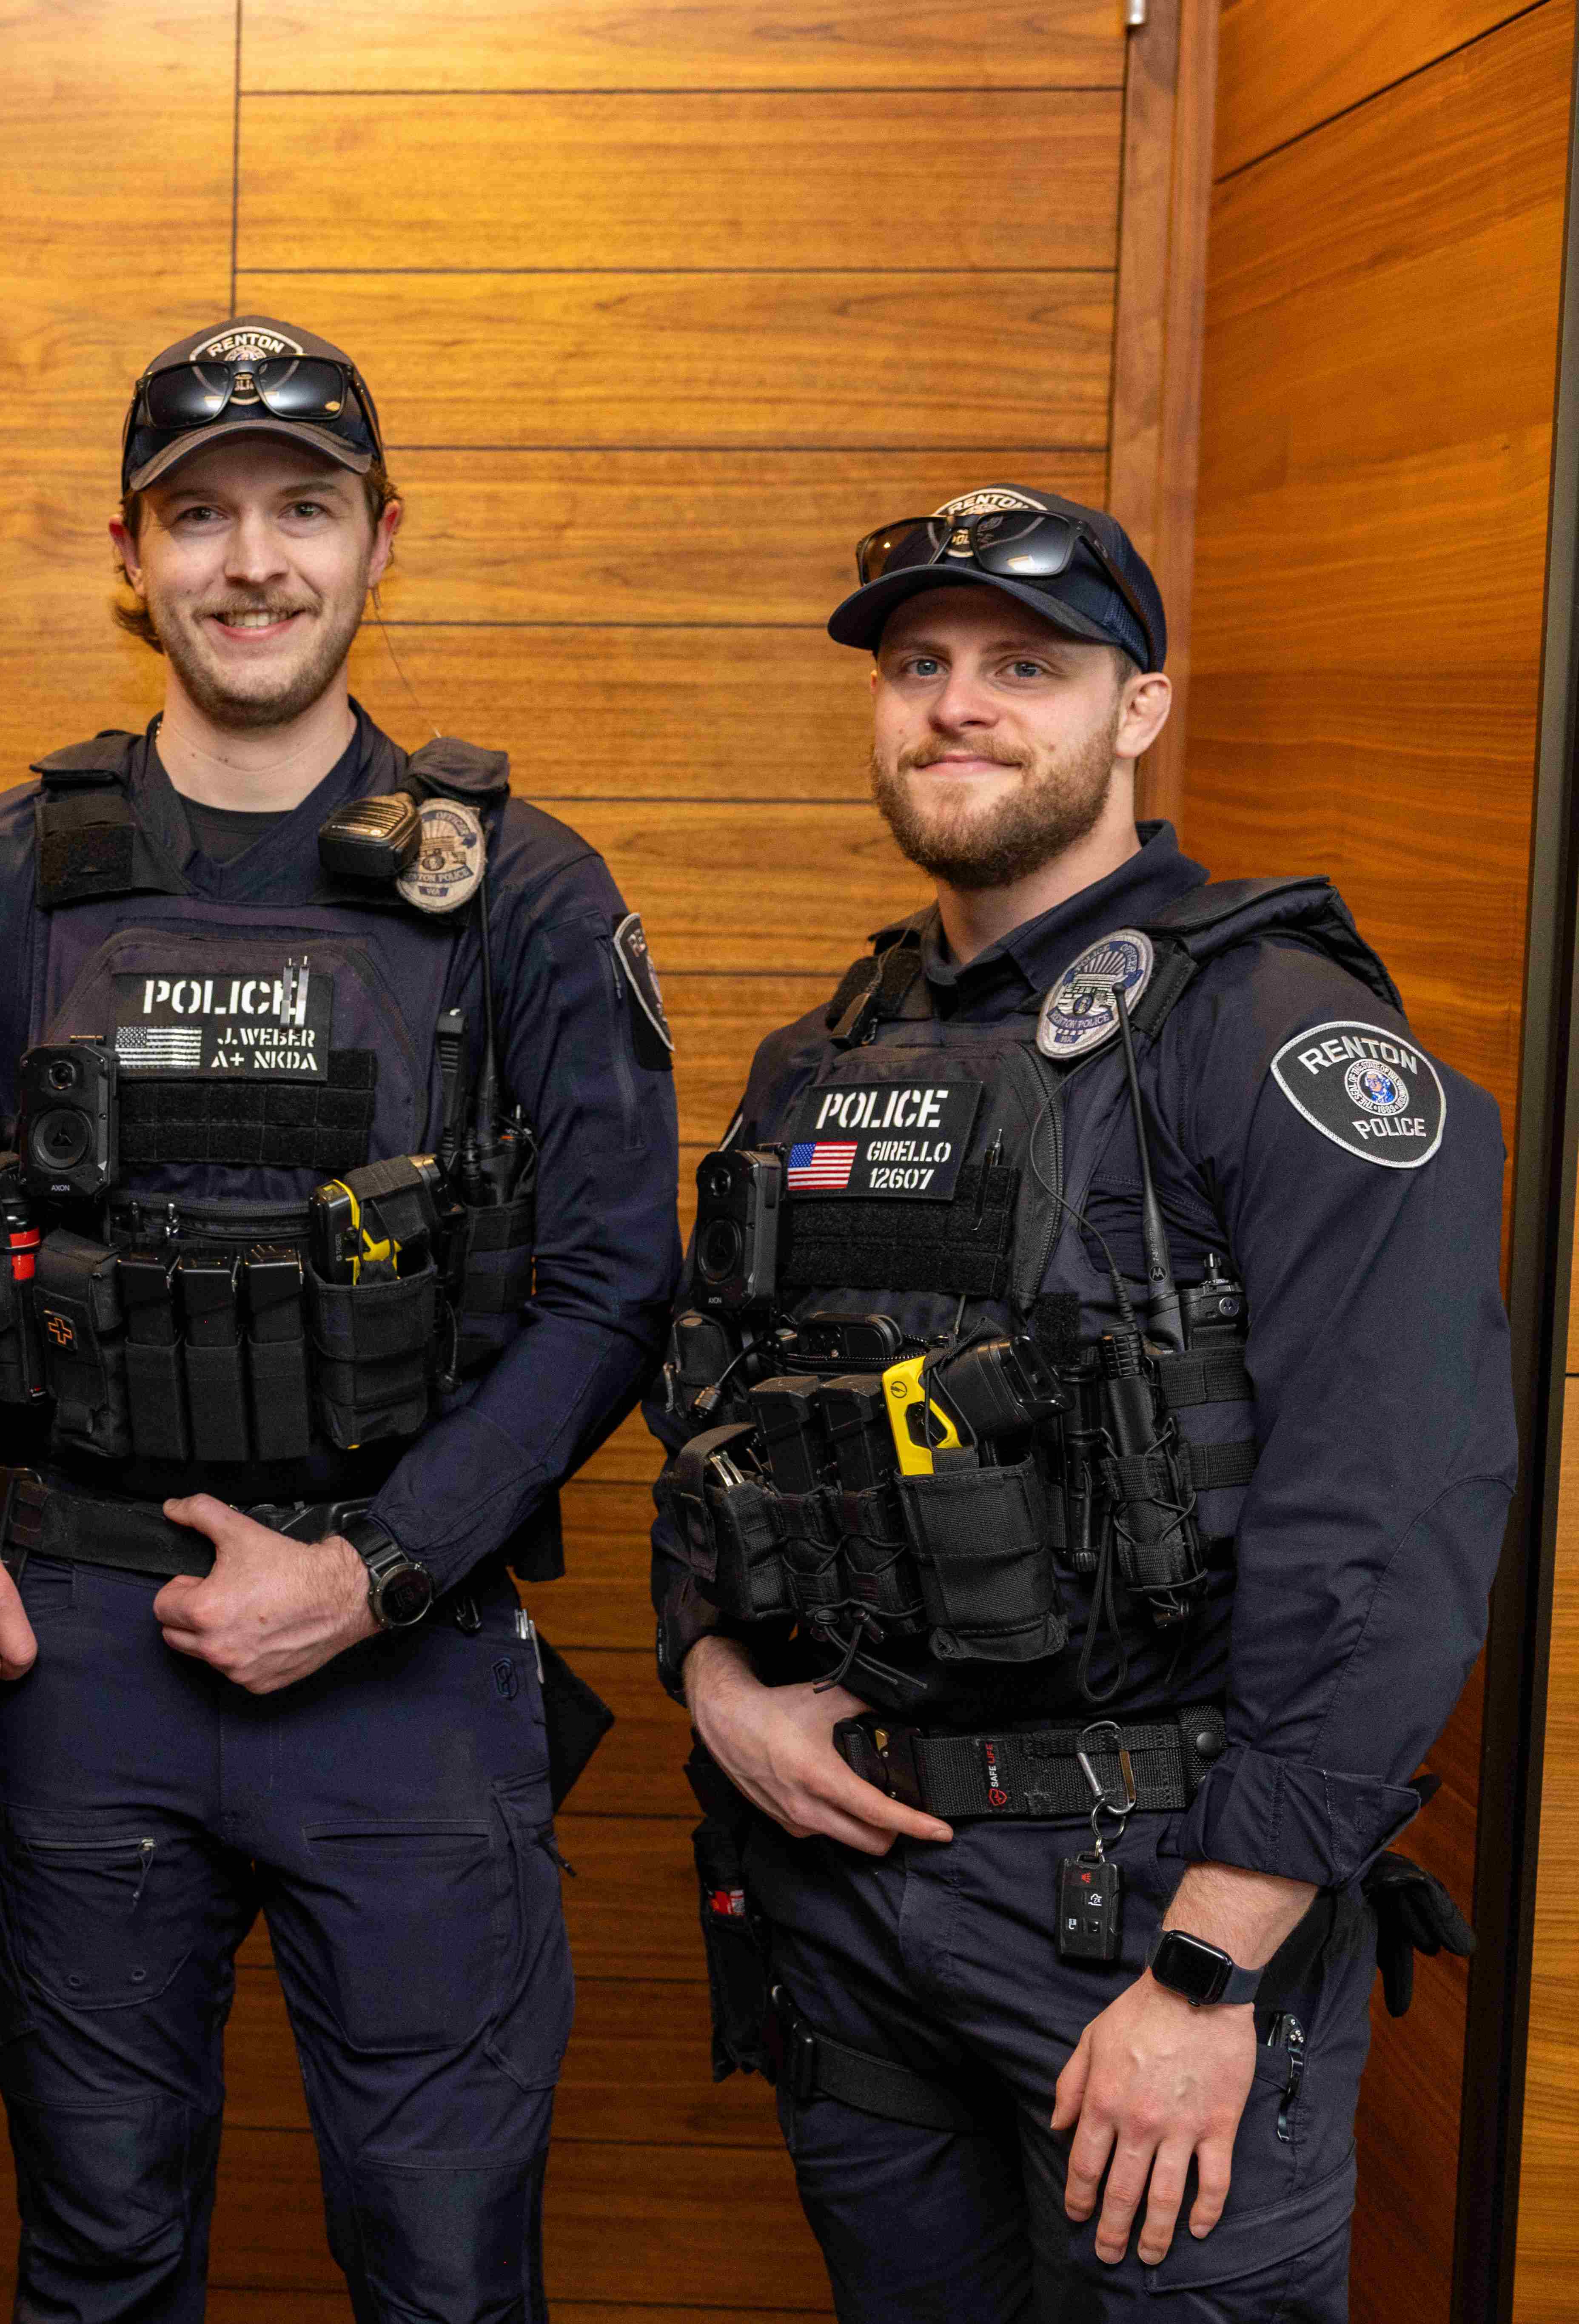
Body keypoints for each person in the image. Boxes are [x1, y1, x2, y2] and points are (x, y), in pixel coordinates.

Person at [0, 315, 683, 2317]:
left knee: (447, 2273)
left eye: (302, 508)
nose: (251, 561)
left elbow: (618, 1279)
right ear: (128, 555)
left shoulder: (521, 892)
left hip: (405, 1656)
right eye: (198, 517)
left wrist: (373, 1568)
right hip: (76, 1671)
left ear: (384, 537)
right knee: (98, 2263)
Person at [650, 484, 1508, 2318]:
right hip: (847, 1893)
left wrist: (1213, 1969)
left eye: (1022, 665)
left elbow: (1391, 1527)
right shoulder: (826, 1053)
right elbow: (712, 1408)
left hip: (1148, 1913)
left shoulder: (1275, 1039)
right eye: (917, 665)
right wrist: (710, 1681)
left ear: (1136, 709)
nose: (956, 703)